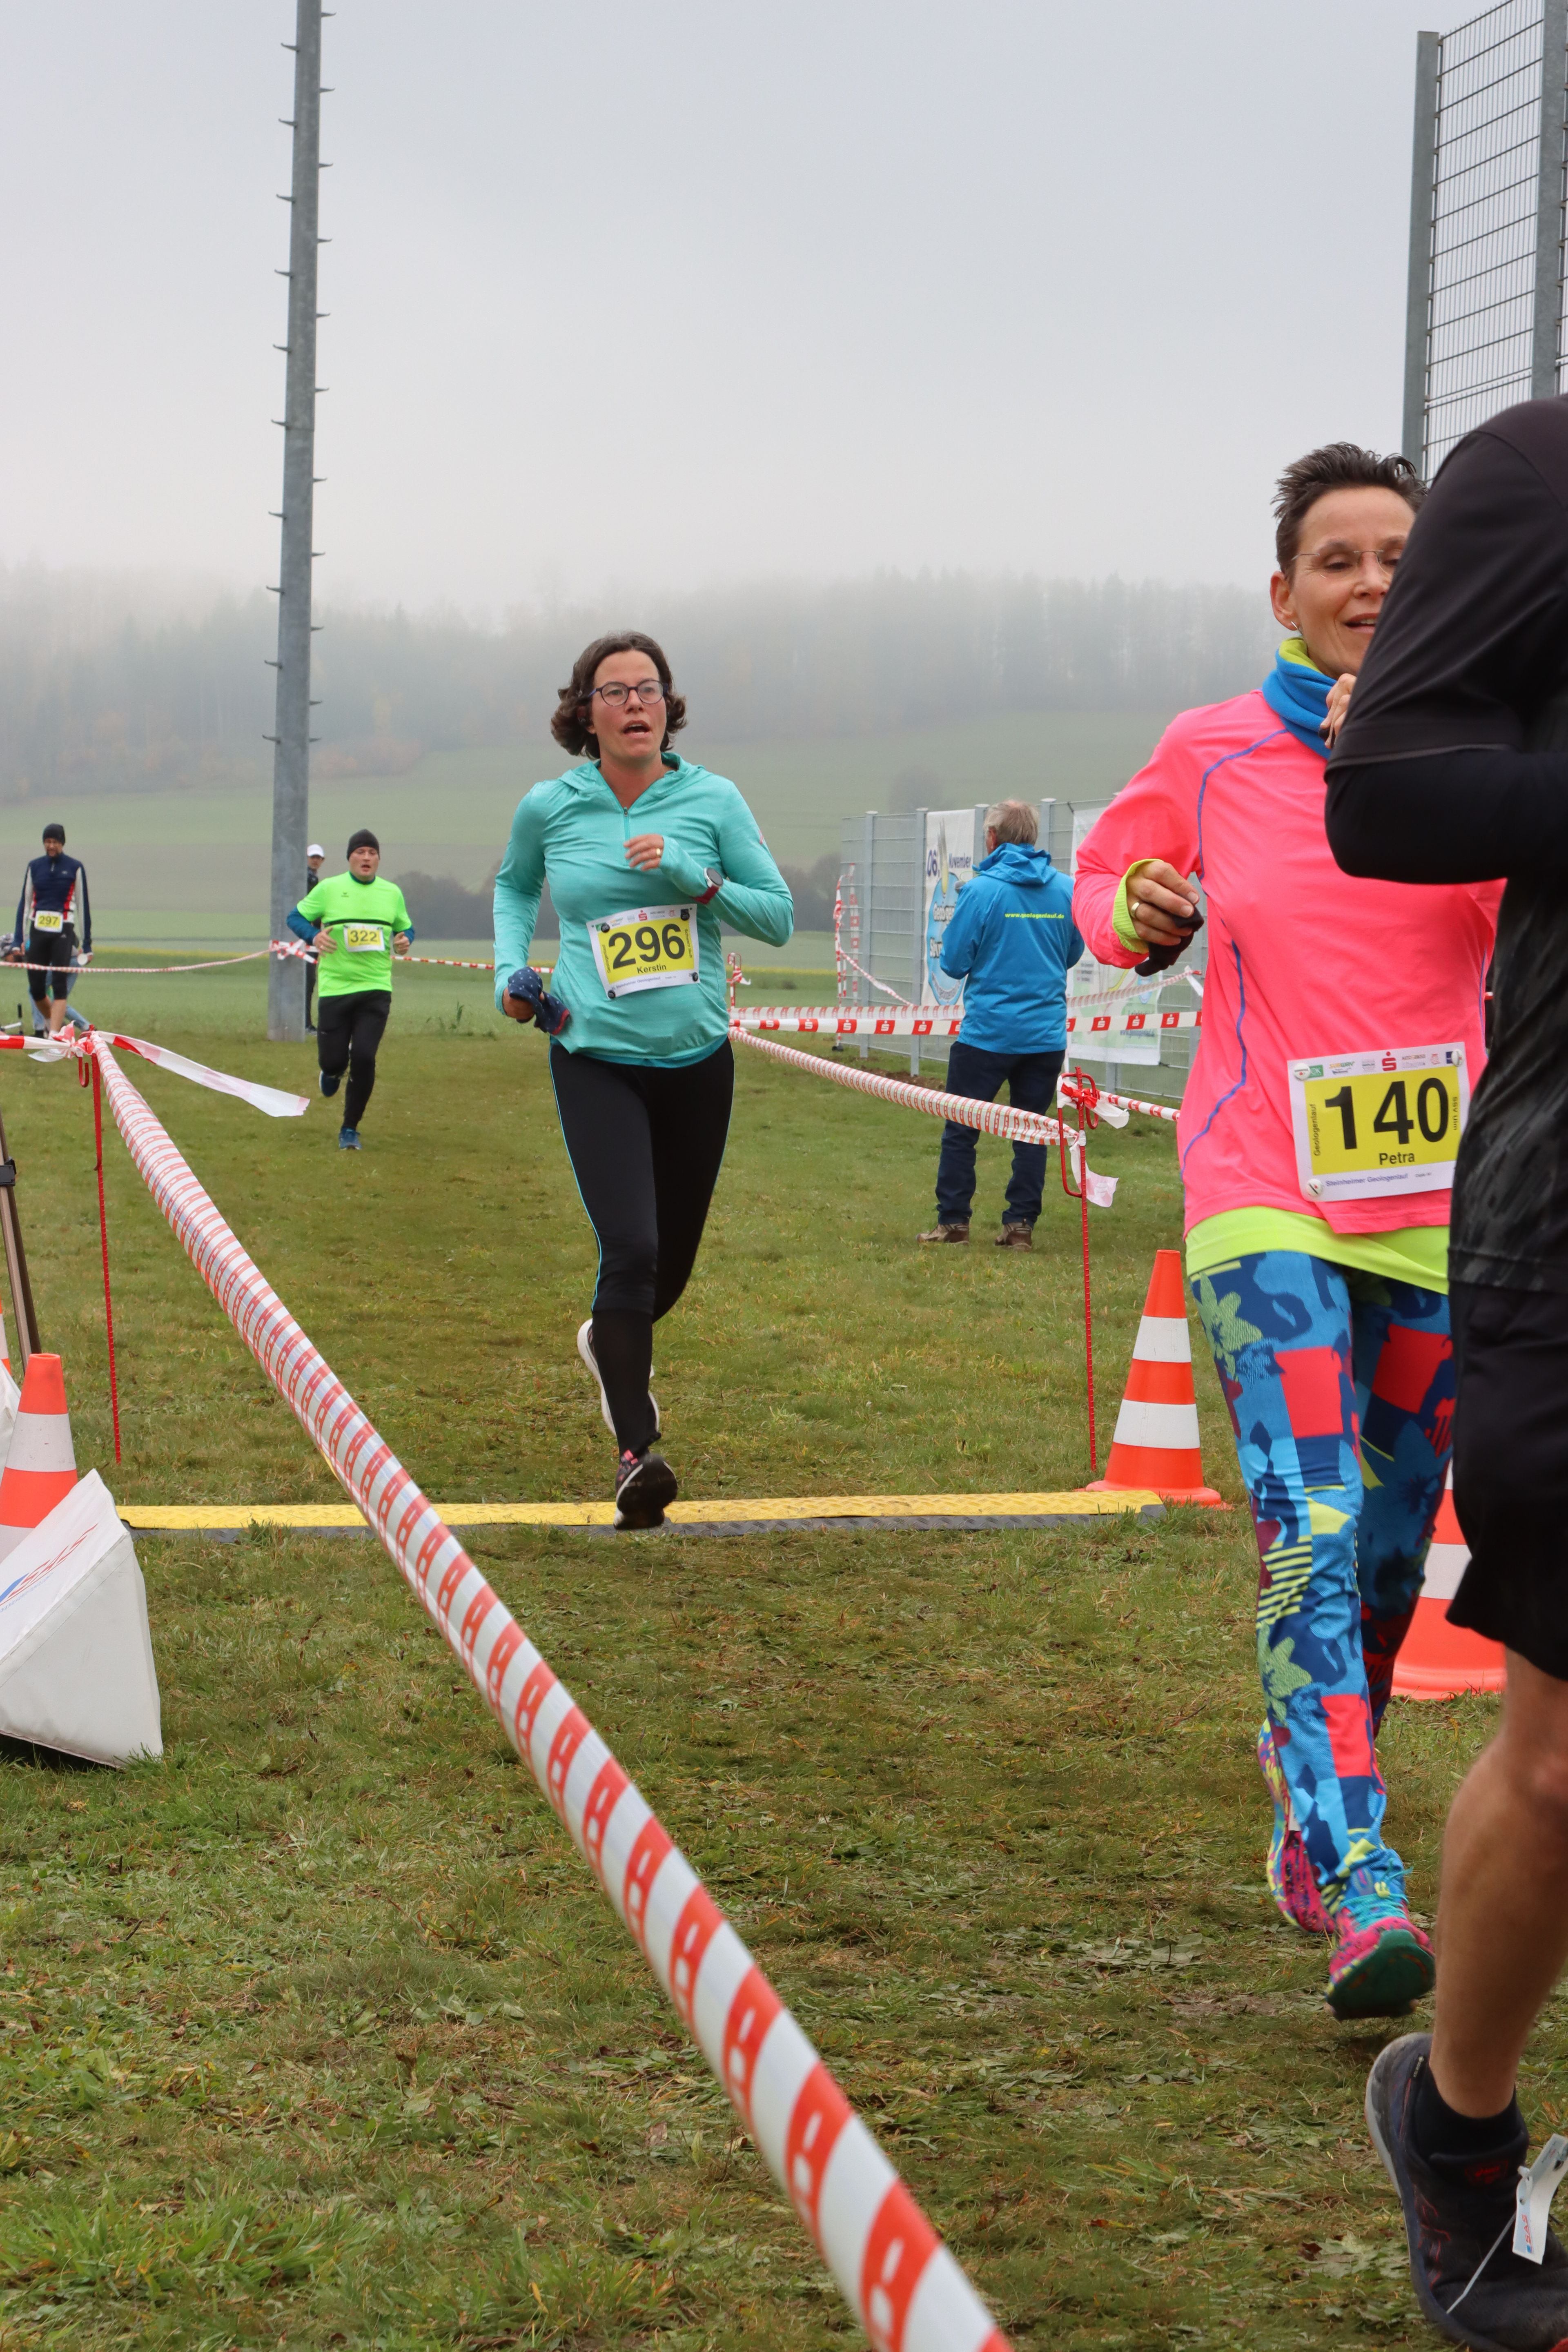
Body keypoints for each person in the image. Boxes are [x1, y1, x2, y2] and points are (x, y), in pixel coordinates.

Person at [1073, 443, 1500, 2022]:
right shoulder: (1215, 747)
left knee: (1389, 1549)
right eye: (1338, 559)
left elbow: (1520, 923)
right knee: (1311, 1529)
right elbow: (1107, 874)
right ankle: (1358, 1875)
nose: (1371, 583)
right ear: (1284, 592)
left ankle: (1308, 1764)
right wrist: (1136, 907)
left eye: (1400, 557)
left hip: (1438, 1211)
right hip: (1264, 1191)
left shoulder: (1481, 748)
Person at [1325, 394, 1568, 2350]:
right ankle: (1460, 2125)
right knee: (1563, 1763)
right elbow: (1386, 796)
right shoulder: (1540, 474)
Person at [494, 630, 793, 1531]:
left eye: (649, 689)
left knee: (668, 1269)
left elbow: (777, 918)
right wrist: (511, 970)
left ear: (669, 706)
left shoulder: (714, 800)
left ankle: (607, 1340)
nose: (635, 704)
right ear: (585, 713)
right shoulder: (551, 806)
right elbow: (515, 887)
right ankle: (635, 1455)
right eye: (615, 691)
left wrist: (696, 880)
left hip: (697, 1063)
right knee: (630, 1248)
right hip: (593, 1056)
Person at [917, 799, 1084, 1249]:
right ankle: (1020, 1226)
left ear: (992, 838)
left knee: (961, 1129)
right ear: (1032, 837)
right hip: (1045, 1037)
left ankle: (953, 1222)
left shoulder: (980, 892)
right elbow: (1071, 954)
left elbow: (953, 963)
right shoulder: (1066, 890)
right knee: (1032, 1131)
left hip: (987, 1036)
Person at [285, 830, 413, 1152]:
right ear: (349, 858)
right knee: (333, 1060)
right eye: (360, 852)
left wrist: (405, 940)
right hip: (336, 989)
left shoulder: (392, 893)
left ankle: (350, 1128)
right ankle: (332, 1071)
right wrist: (313, 937)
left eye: (372, 852)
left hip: (376, 988)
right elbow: (295, 917)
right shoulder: (329, 889)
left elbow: (405, 927)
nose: (366, 857)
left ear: (379, 859)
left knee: (365, 1057)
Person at [11, 823, 91, 1036]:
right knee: (36, 988)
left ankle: (55, 1038)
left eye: (55, 842)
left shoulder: (75, 867)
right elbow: (25, 904)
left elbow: (83, 907)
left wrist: (87, 944)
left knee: (59, 984)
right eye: (48, 842)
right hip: (38, 930)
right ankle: (53, 1024)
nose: (51, 846)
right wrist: (19, 939)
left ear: (62, 843)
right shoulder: (35, 867)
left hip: (63, 930)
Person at [304, 842, 325, 1031]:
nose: (316, 861)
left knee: (309, 981)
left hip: (313, 938)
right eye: (313, 857)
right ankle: (305, 1024)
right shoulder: (307, 880)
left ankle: (305, 1023)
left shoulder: (314, 880)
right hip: (306, 938)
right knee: (307, 980)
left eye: (318, 858)